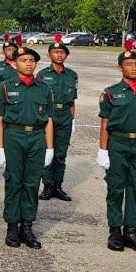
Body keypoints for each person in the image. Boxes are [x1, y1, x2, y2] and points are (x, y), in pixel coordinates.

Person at [96, 41, 136, 253]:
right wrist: (103, 150)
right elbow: (104, 124)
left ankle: (131, 231)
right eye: (129, 64)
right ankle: (115, 231)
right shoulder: (110, 93)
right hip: (118, 143)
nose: (133, 67)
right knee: (115, 187)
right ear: (120, 68)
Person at [0, 43, 54, 249]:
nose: (28, 64)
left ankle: (27, 227)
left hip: (36, 137)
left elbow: (49, 120)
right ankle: (12, 226)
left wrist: (50, 148)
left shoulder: (44, 88)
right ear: (15, 63)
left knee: (31, 183)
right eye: (23, 60)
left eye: (31, 60)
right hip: (14, 136)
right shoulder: (6, 88)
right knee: (14, 182)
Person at [37, 34, 78, 202]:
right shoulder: (42, 75)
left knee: (61, 153)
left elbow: (73, 100)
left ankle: (58, 186)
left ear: (66, 55)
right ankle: (47, 186)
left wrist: (72, 119)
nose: (59, 55)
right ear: (49, 55)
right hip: (48, 116)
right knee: (48, 151)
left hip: (65, 116)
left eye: (62, 52)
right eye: (55, 52)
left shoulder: (72, 75)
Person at [0, 36, 20, 105]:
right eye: (8, 49)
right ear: (3, 52)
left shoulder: (21, 65)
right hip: (2, 101)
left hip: (19, 101)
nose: (11, 52)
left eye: (13, 49)